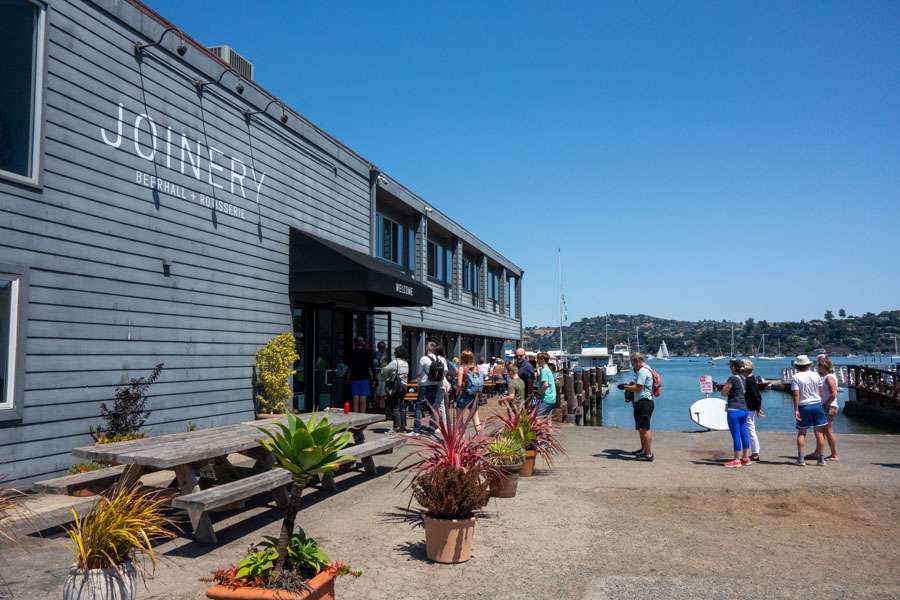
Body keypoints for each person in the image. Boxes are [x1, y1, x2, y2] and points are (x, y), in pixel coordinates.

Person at [791, 355, 827, 466]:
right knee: (819, 433)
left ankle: (801, 459)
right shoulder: (816, 375)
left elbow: (796, 394)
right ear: (809, 364)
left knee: (802, 433)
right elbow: (821, 391)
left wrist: (796, 409)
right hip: (816, 404)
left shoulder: (796, 377)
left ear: (797, 365)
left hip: (804, 406)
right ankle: (821, 459)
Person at [623, 352, 654, 462]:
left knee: (645, 428)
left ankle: (649, 454)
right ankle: (644, 450)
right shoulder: (647, 369)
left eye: (632, 362)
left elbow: (638, 388)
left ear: (637, 361)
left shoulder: (642, 371)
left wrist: (625, 387)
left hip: (643, 402)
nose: (632, 365)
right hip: (643, 401)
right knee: (641, 428)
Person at [720, 359, 750, 467]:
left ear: (733, 367)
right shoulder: (743, 379)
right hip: (744, 409)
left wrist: (727, 391)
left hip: (734, 410)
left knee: (736, 435)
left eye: (730, 367)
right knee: (744, 434)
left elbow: (723, 392)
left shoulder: (732, 378)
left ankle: (737, 459)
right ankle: (745, 458)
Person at [414, 342, 446, 437]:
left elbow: (419, 373)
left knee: (419, 407)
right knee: (433, 408)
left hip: (425, 385)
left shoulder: (424, 358)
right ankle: (432, 430)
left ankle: (417, 430)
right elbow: (444, 371)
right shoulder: (438, 358)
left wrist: (418, 383)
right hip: (435, 385)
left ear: (428, 349)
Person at [810, 357, 840, 461]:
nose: (818, 368)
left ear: (824, 366)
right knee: (820, 430)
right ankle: (818, 452)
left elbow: (833, 394)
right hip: (828, 406)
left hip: (829, 406)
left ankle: (834, 454)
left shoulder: (829, 378)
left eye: (819, 366)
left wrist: (825, 404)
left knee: (827, 431)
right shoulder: (828, 377)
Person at [382, 346, 410, 434]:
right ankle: (403, 426)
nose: (394, 354)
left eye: (395, 352)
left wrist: (383, 365)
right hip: (404, 386)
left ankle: (395, 427)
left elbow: (384, 371)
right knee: (401, 407)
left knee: (394, 406)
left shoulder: (395, 362)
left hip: (395, 387)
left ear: (397, 353)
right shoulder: (406, 363)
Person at [742, 360, 765, 462]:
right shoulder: (750, 379)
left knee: (750, 430)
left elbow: (757, 396)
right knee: (750, 430)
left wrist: (758, 409)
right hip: (751, 407)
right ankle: (754, 452)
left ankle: (755, 454)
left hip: (749, 407)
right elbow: (757, 396)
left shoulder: (749, 380)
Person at [455, 350, 483, 434]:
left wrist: (457, 391)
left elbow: (459, 383)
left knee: (460, 419)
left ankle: (462, 442)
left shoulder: (461, 368)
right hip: (474, 395)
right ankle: (481, 439)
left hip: (462, 395)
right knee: (476, 418)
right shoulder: (477, 369)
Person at [346, 337, 373, 413]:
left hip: (354, 377)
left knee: (355, 397)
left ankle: (355, 416)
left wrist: (347, 377)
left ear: (355, 343)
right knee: (363, 398)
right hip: (364, 377)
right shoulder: (367, 353)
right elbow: (371, 366)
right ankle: (362, 416)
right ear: (363, 343)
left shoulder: (352, 353)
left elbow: (348, 366)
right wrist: (374, 378)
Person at [428, 345, 450, 430]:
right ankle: (441, 424)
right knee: (440, 404)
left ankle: (443, 425)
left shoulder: (438, 359)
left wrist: (439, 377)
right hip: (442, 382)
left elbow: (445, 370)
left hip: (438, 383)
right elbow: (446, 370)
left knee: (439, 405)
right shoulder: (443, 359)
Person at [535, 352, 556, 417]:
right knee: (548, 418)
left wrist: (540, 394)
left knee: (538, 416)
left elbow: (546, 384)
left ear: (543, 359)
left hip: (546, 398)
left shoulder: (544, 371)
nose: (537, 361)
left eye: (538, 359)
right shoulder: (548, 370)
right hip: (552, 398)